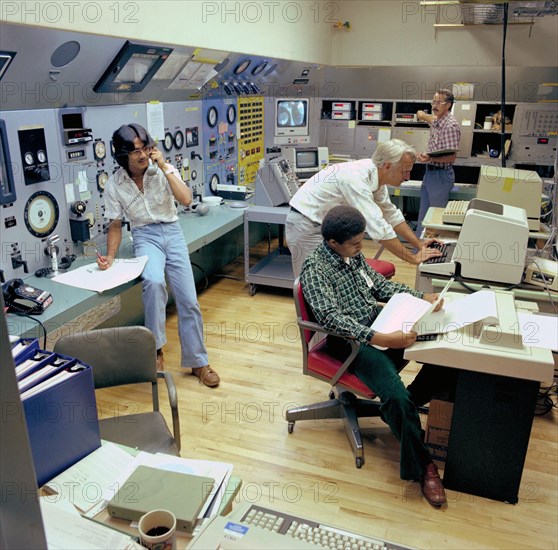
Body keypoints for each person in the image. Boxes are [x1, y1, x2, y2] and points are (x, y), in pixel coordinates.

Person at [300, 205, 457, 507]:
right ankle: (423, 467)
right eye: (356, 243)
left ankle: (398, 413)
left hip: (378, 324)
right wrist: (381, 338)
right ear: (333, 243)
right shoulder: (316, 270)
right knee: (398, 398)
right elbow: (331, 318)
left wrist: (421, 298)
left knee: (444, 354)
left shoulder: (352, 256)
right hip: (350, 343)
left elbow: (381, 286)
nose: (361, 249)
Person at [97, 123, 220, 387]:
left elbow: (186, 199)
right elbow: (115, 225)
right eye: (135, 151)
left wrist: (164, 166)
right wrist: (110, 256)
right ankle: (155, 351)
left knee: (188, 298)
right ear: (122, 155)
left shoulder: (163, 170)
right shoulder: (114, 185)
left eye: (145, 148)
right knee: (153, 282)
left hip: (172, 231)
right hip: (145, 236)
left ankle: (198, 361)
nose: (142, 155)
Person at [285, 139, 443, 279]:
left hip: (329, 227)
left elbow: (391, 215)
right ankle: (307, 313)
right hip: (306, 224)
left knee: (340, 279)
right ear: (387, 166)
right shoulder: (356, 179)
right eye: (405, 171)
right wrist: (412, 258)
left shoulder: (376, 176)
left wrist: (419, 245)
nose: (408, 177)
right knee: (312, 281)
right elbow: (378, 227)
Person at [415, 89, 461, 237]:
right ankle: (419, 251)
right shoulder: (438, 120)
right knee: (423, 217)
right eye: (433, 102)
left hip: (441, 176)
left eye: (438, 102)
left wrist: (430, 158)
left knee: (434, 220)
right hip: (430, 173)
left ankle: (432, 254)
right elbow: (431, 119)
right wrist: (421, 115)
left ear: (448, 105)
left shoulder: (450, 126)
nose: (434, 105)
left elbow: (451, 157)